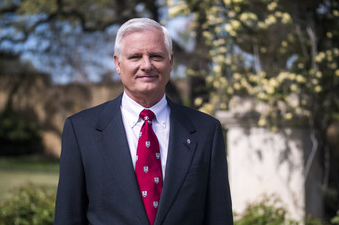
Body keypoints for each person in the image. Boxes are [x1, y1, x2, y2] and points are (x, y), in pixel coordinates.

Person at [54, 17, 233, 225]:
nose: (146, 65)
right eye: (135, 56)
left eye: (156, 56)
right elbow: (68, 217)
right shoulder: (81, 131)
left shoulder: (206, 131)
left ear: (171, 62)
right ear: (118, 64)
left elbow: (219, 217)